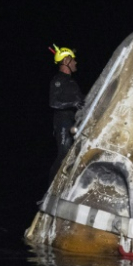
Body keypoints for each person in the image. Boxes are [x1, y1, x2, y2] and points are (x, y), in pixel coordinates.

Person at [48, 44, 84, 183]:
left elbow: (82, 101)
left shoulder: (72, 83)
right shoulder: (58, 80)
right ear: (66, 61)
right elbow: (53, 103)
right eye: (73, 59)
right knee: (64, 154)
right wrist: (73, 103)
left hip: (74, 122)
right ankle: (50, 189)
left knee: (75, 154)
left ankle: (68, 184)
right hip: (62, 122)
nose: (75, 62)